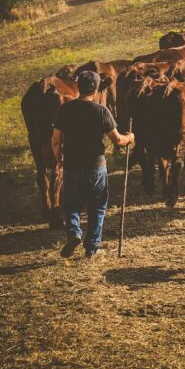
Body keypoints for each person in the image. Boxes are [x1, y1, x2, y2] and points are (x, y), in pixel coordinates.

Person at [51, 71, 134, 259]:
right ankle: (92, 248)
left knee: (71, 204)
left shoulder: (65, 110)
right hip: (96, 168)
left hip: (72, 166)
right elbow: (118, 141)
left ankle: (74, 232)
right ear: (96, 89)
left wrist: (59, 161)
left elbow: (55, 141)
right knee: (97, 207)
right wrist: (130, 137)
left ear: (78, 86)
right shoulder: (101, 111)